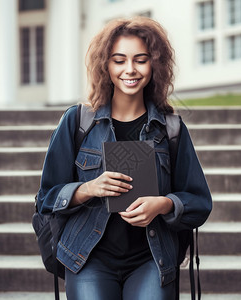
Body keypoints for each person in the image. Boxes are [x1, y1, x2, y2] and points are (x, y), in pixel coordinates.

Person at [36, 16, 212, 300]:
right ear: (105, 65)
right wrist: (87, 189)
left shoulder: (171, 129)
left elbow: (200, 201)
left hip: (152, 259)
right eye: (119, 60)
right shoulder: (78, 122)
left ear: (154, 64)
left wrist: (164, 204)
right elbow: (46, 198)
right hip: (88, 257)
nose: (130, 69)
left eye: (140, 60)